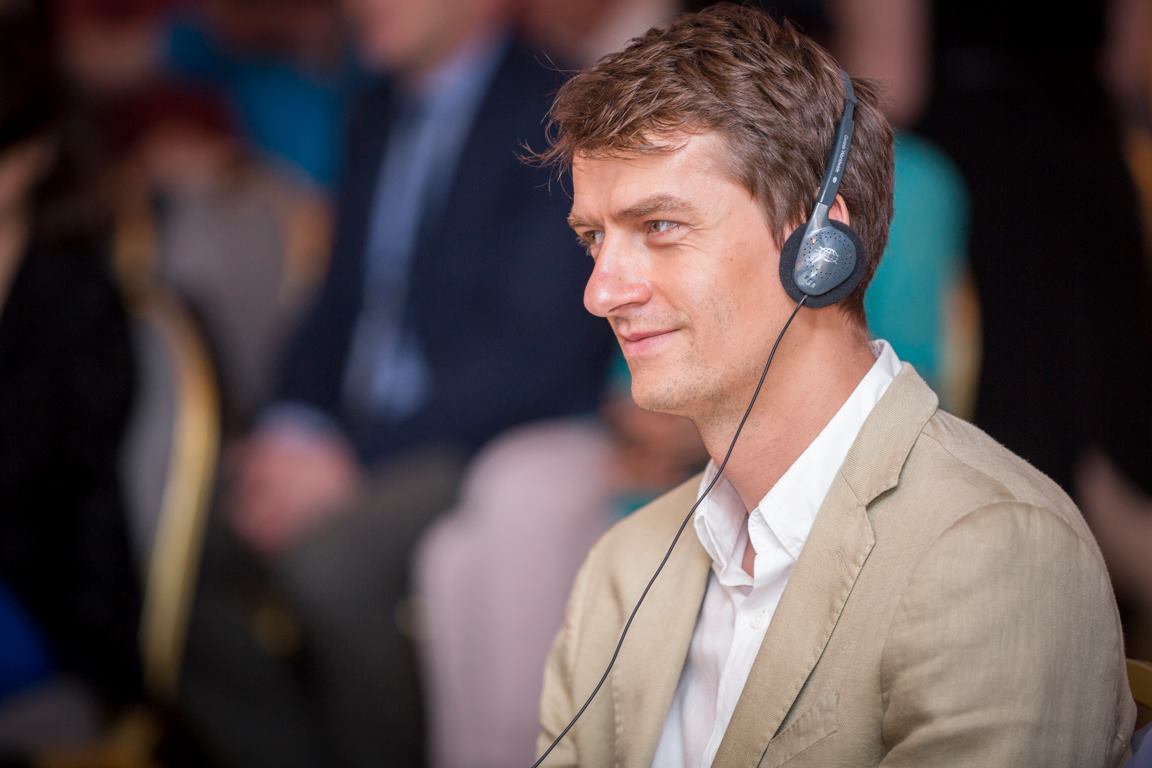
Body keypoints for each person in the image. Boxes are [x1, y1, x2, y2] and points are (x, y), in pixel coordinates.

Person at [533, 5, 1134, 766]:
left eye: (660, 227)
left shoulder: (994, 553)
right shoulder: (620, 569)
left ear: (818, 243)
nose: (600, 292)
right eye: (594, 238)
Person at [179, 0, 613, 766]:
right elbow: (336, 302)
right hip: (359, 424)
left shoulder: (560, 109)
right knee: (175, 533)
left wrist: (350, 463)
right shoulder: (375, 107)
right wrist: (291, 428)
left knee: (333, 569)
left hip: (485, 432)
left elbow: (531, 350)